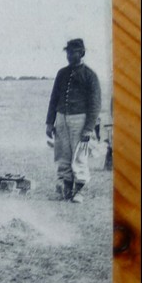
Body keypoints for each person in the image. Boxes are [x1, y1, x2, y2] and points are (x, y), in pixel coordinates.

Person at [46, 38, 101, 203]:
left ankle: (79, 192)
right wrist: (50, 122)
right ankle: (67, 190)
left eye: (73, 53)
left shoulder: (90, 75)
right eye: (68, 53)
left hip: (80, 120)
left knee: (79, 157)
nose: (69, 56)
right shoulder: (61, 73)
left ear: (81, 53)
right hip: (61, 119)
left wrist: (88, 129)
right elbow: (54, 99)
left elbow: (95, 105)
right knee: (63, 156)